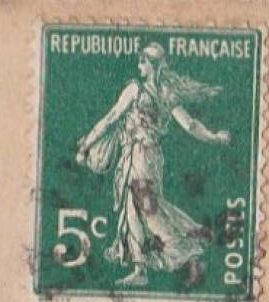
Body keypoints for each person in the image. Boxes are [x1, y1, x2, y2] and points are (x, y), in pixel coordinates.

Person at [74, 43, 231, 287]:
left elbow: (110, 119)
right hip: (151, 158)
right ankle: (143, 267)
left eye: (142, 61)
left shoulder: (135, 90)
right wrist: (214, 137)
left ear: (152, 64)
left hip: (139, 156)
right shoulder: (167, 92)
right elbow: (190, 125)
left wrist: (86, 145)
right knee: (138, 208)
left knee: (147, 210)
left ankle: (188, 247)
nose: (139, 65)